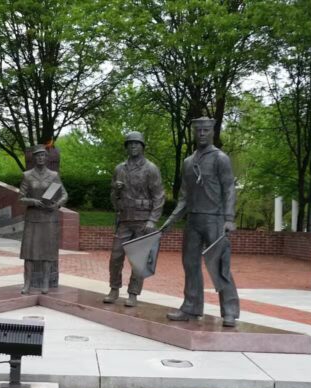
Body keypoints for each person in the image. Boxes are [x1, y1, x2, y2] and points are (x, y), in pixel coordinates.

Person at [160, 117, 240, 327]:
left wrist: (229, 218)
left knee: (220, 265)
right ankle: (191, 306)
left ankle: (229, 311)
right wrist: (171, 220)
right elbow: (184, 197)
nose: (202, 133)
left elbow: (229, 188)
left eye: (206, 130)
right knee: (190, 264)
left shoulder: (220, 158)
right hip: (193, 220)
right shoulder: (188, 162)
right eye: (199, 130)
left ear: (212, 132)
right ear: (194, 133)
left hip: (215, 219)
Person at [103, 131, 165, 307]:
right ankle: (114, 288)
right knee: (115, 257)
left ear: (142, 146)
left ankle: (133, 293)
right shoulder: (119, 169)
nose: (133, 146)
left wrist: (153, 220)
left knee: (138, 260)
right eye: (130, 144)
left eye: (136, 143)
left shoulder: (151, 168)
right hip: (124, 219)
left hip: (143, 220)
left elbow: (159, 196)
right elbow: (114, 201)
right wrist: (115, 190)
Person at [19, 144, 68, 294]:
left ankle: (46, 283)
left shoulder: (53, 175)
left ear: (46, 158)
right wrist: (33, 201)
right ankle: (27, 283)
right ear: (34, 158)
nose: (40, 158)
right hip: (33, 218)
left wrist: (57, 205)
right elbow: (21, 197)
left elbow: (64, 195)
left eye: (43, 155)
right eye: (38, 155)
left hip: (49, 218)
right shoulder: (27, 175)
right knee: (29, 253)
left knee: (47, 252)